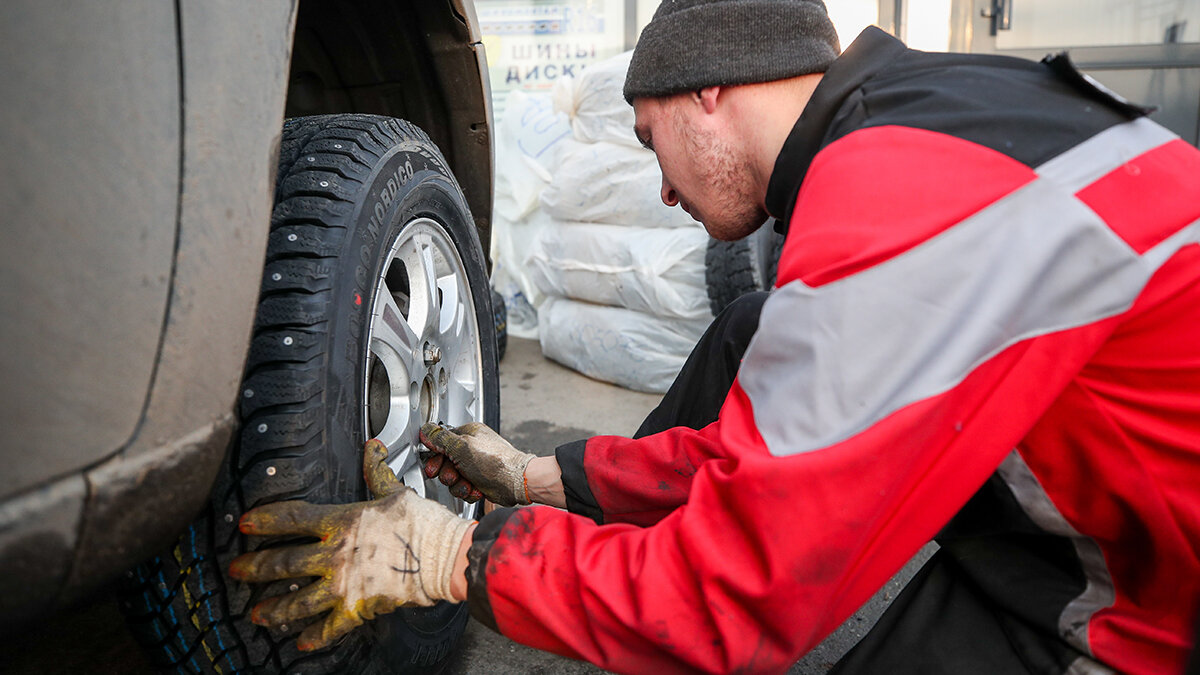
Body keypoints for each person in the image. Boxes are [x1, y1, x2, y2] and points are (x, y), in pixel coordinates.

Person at [228, 1, 1200, 672]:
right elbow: (767, 457)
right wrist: (538, 479)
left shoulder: (891, 208)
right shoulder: (923, 119)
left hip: (1158, 593)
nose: (658, 187)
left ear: (705, 93)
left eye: (649, 142)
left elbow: (741, 596)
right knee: (752, 326)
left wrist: (450, 559)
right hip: (1094, 516)